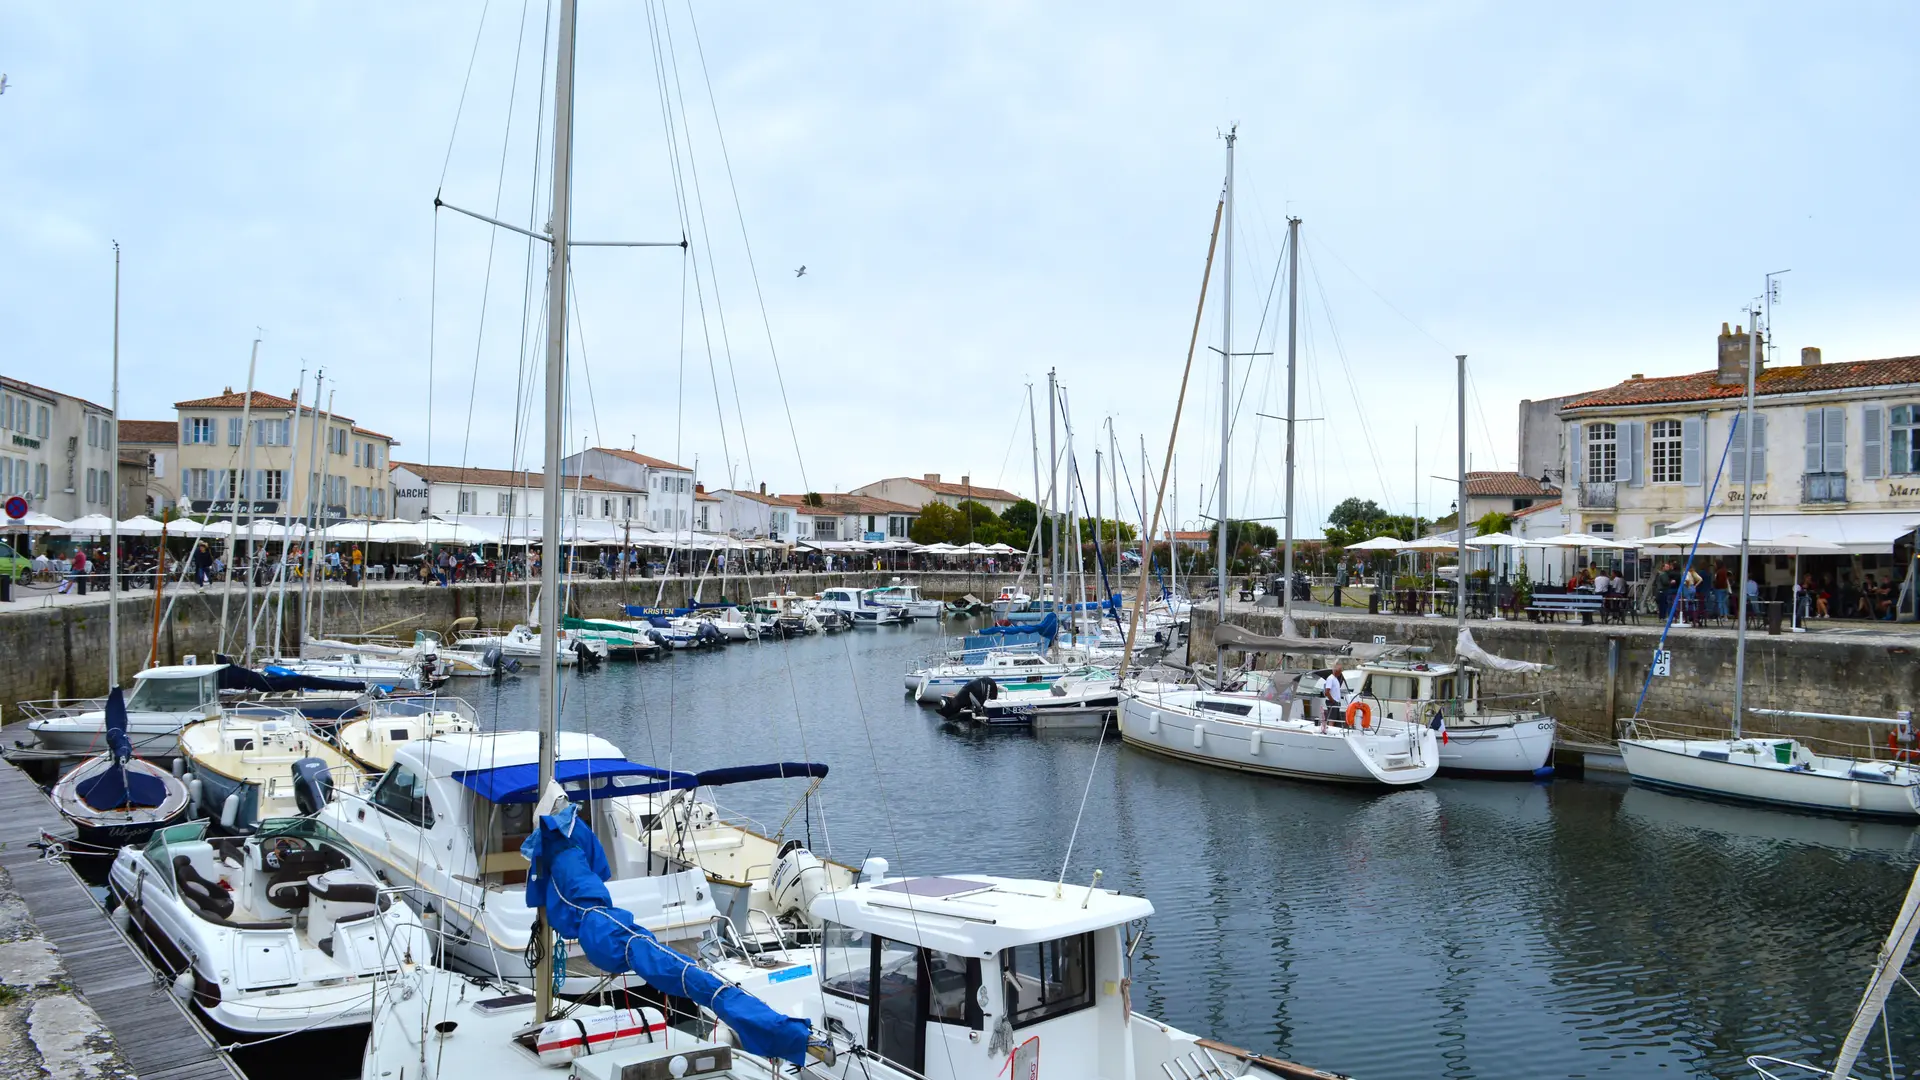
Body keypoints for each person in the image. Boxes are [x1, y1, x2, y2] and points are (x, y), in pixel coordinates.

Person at [1320, 661, 1348, 733]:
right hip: (1332, 702)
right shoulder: (1331, 678)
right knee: (1332, 719)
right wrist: (1332, 701)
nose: (1340, 673)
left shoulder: (1335, 679)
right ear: (1336, 671)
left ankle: (1333, 731)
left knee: (1335, 719)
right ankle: (1329, 731)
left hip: (1336, 702)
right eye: (1340, 671)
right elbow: (1327, 692)